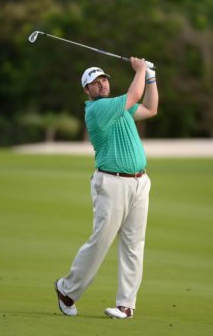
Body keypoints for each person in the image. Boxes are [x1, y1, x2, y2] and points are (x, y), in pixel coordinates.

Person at [55, 57, 159, 319]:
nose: (102, 84)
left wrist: (151, 78)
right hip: (111, 182)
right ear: (86, 90)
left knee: (134, 245)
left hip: (139, 182)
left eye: (104, 80)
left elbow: (150, 107)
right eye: (95, 82)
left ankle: (126, 305)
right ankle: (67, 289)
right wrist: (140, 70)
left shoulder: (121, 108)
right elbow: (135, 94)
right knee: (101, 241)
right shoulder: (97, 110)